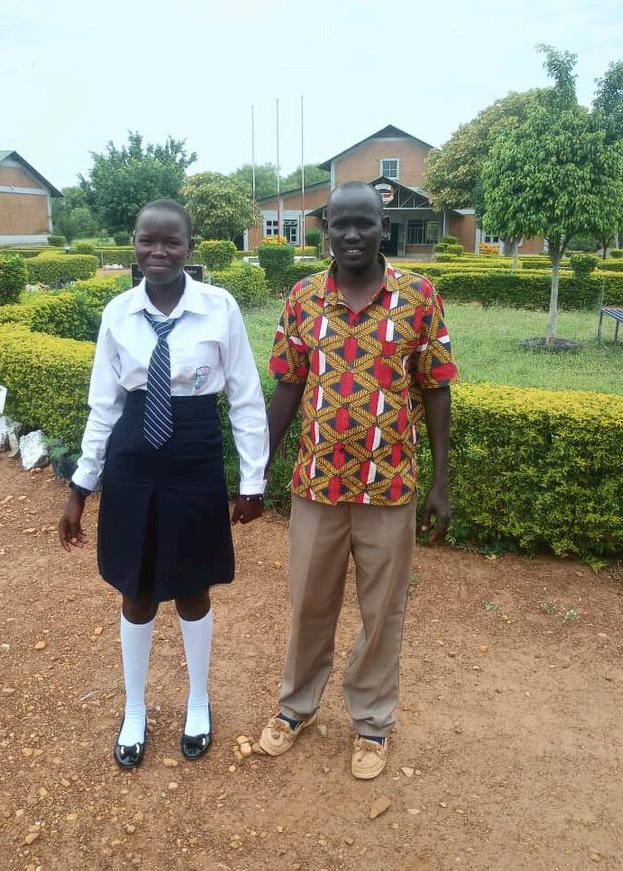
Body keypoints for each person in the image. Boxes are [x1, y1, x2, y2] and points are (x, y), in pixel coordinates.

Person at [58, 199, 268, 768]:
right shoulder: (118, 314)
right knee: (137, 589)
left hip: (195, 457)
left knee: (194, 586)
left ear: (189, 247)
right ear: (134, 243)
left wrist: (252, 481)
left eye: (171, 241)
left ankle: (198, 701)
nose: (158, 251)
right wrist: (80, 489)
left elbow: (246, 397)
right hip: (133, 463)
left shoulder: (219, 308)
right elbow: (104, 407)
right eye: (147, 240)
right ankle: (135, 709)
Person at [258, 181, 457, 779]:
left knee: (382, 612)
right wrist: (257, 465)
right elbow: (288, 382)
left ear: (383, 229)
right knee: (308, 604)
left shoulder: (418, 296)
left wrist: (441, 480)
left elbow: (437, 388)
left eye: (363, 224)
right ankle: (296, 708)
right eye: (339, 224)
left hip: (390, 487)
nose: (350, 235)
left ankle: (372, 723)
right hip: (316, 483)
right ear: (325, 229)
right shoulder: (303, 297)